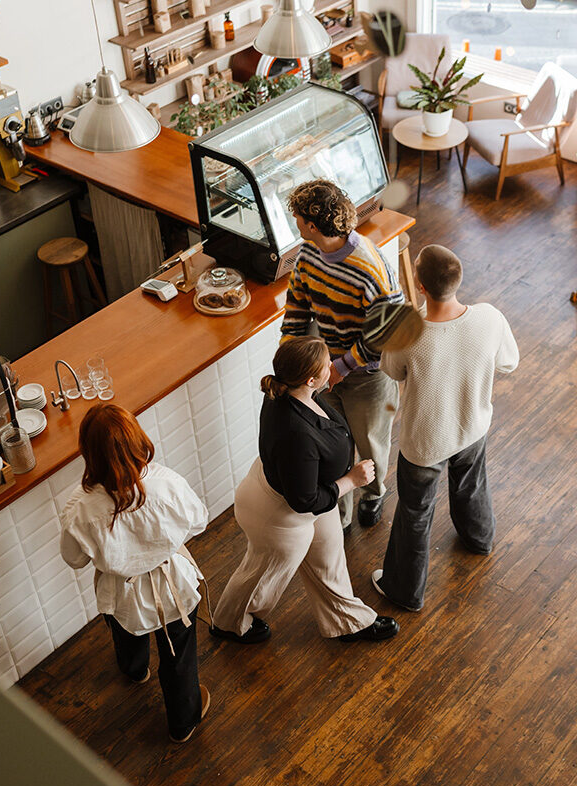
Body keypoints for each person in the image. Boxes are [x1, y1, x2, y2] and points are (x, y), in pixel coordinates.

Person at [210, 337, 399, 645]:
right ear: (310, 379)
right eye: (327, 363)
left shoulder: (291, 390)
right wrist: (352, 481)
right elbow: (304, 501)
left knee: (329, 555)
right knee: (262, 575)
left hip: (308, 492)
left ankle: (347, 621)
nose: (332, 365)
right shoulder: (295, 432)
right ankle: (228, 623)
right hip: (279, 515)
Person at [373, 245, 519, 611]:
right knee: (471, 486)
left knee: (415, 514)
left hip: (425, 442)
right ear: (459, 278)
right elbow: (508, 364)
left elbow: (392, 372)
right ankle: (479, 539)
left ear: (420, 286)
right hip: (472, 427)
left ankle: (405, 591)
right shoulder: (489, 317)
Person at [60, 404, 211, 744]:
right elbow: (199, 520)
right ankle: (182, 721)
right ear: (137, 439)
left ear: (88, 451)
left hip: (122, 591)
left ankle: (134, 669)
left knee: (126, 631)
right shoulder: (166, 482)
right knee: (179, 656)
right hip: (173, 584)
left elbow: (73, 559)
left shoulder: (80, 505)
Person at [280, 180, 405, 531]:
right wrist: (290, 353)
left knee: (370, 443)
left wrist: (343, 366)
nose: (294, 221)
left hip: (367, 376)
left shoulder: (370, 268)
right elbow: (296, 307)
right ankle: (341, 514)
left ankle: (374, 494)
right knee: (334, 447)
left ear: (312, 225)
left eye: (297, 217)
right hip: (325, 370)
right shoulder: (306, 256)